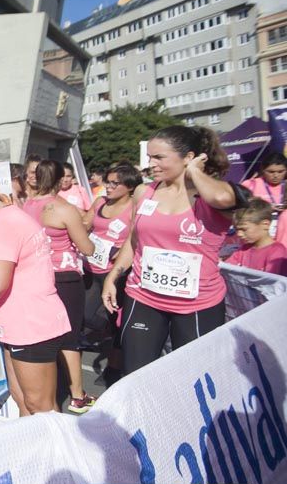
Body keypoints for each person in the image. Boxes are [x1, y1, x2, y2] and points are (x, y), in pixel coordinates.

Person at [102, 126, 237, 375]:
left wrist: (195, 171)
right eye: (150, 157)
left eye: (159, 157)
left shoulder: (210, 195)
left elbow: (223, 199)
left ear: (188, 157)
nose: (150, 164)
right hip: (143, 297)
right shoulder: (144, 192)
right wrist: (114, 275)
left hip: (197, 303)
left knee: (195, 377)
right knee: (136, 375)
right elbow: (134, 240)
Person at [0, 170, 73, 415]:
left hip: (31, 325)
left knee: (41, 407)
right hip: (19, 325)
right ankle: (36, 452)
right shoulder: (8, 218)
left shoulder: (2, 225)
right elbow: (9, 273)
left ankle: (60, 453)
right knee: (23, 401)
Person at [22, 160, 97, 413]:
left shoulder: (26, 206)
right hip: (65, 277)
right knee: (69, 338)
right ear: (58, 180)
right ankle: (77, 396)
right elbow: (86, 247)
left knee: (45, 338)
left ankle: (49, 397)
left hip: (35, 277)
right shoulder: (64, 209)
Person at [81, 163, 142, 386]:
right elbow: (86, 223)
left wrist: (122, 252)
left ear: (129, 186)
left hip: (115, 272)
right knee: (87, 317)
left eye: (114, 183)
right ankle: (104, 334)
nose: (108, 186)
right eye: (108, 181)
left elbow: (136, 234)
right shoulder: (99, 202)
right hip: (91, 267)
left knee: (117, 323)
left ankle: (113, 368)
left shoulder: (135, 207)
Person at [226, 198, 287, 275]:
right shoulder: (243, 249)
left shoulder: (277, 251)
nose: (239, 234)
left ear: (265, 224)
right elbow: (227, 269)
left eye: (243, 229)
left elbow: (270, 283)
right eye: (236, 229)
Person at [241, 153, 286, 236]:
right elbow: (240, 208)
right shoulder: (251, 184)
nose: (276, 175)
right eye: (271, 172)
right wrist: (265, 208)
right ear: (262, 170)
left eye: (280, 172)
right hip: (259, 232)